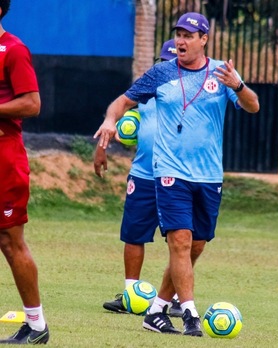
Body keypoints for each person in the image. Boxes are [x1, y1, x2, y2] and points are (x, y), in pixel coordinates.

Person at [93, 12, 259, 337]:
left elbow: (253, 106)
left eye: (188, 35)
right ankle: (191, 314)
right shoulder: (161, 72)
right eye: (178, 35)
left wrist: (238, 86)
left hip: (209, 176)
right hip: (169, 172)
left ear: (204, 40)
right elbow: (121, 101)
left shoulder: (221, 73)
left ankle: (155, 310)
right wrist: (111, 120)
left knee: (195, 246)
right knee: (179, 242)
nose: (181, 41)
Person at [95, 40, 182, 317]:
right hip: (143, 174)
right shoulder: (146, 88)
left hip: (178, 175)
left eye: (174, 62)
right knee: (133, 235)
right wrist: (102, 148)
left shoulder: (191, 93)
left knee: (179, 239)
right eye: (165, 61)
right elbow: (121, 113)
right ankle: (131, 294)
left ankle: (176, 298)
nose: (169, 67)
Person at [0, 0, 50, 345]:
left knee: (10, 241)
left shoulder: (13, 50)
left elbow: (32, 103)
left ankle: (36, 326)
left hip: (3, 157)